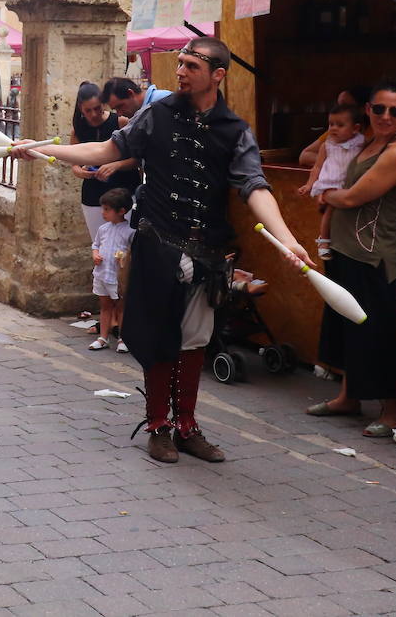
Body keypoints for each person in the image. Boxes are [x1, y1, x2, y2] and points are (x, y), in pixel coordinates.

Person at [17, 37, 310, 464]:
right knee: (157, 338)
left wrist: (287, 238)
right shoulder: (156, 114)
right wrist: (45, 149)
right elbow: (105, 150)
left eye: (192, 65)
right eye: (181, 63)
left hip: (206, 251)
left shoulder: (235, 131)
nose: (181, 71)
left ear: (218, 75)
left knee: (194, 341)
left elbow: (254, 186)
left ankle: (187, 426)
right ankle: (159, 426)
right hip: (157, 244)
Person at [308, 81, 396, 437]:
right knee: (348, 328)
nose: (386, 116)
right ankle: (348, 397)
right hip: (345, 249)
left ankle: (393, 413)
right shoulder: (370, 140)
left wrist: (325, 192)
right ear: (367, 110)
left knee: (379, 332)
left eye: (395, 111)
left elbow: (355, 197)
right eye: (379, 109)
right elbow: (315, 154)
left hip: (374, 256)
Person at [70, 81, 141, 252]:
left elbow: (138, 159)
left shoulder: (121, 122)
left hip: (125, 193)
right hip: (93, 196)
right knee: (100, 247)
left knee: (126, 249)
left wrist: (116, 165)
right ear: (80, 108)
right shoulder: (78, 130)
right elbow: (75, 164)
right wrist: (83, 172)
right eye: (88, 110)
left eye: (98, 108)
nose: (94, 114)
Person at [296, 102, 365, 259]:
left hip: (352, 184)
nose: (333, 128)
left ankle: (353, 241)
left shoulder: (361, 143)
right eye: (331, 124)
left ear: (355, 128)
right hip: (332, 184)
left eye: (340, 125)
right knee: (330, 211)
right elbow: (317, 167)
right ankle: (324, 240)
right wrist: (309, 184)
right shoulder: (326, 146)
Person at [89, 188, 135, 353]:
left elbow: (133, 253)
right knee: (105, 306)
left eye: (107, 210)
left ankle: (123, 338)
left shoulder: (130, 232)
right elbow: (96, 245)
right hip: (102, 273)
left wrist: (124, 259)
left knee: (121, 307)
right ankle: (103, 337)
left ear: (121, 211)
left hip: (117, 277)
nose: (103, 213)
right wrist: (95, 254)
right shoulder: (103, 229)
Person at [297, 86, 370, 167]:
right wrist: (334, 161)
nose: (339, 111)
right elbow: (304, 156)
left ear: (363, 109)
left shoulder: (373, 134)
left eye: (345, 106)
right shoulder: (335, 131)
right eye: (338, 106)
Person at [102, 76, 171, 123]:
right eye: (115, 109)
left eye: (120, 106)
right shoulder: (136, 117)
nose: (120, 114)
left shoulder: (163, 100)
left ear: (130, 93)